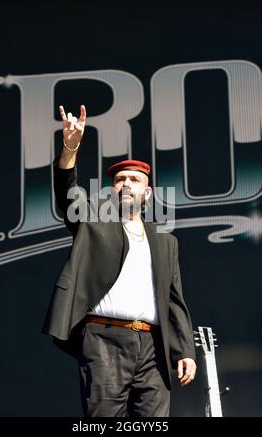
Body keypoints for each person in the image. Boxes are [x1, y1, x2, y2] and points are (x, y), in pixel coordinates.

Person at [42, 104, 196, 417]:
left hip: (153, 345)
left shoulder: (166, 243)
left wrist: (185, 350)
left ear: (148, 193)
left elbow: (173, 301)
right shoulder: (93, 222)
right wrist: (70, 146)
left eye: (134, 180)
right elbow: (66, 192)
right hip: (104, 339)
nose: (125, 183)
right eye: (119, 179)